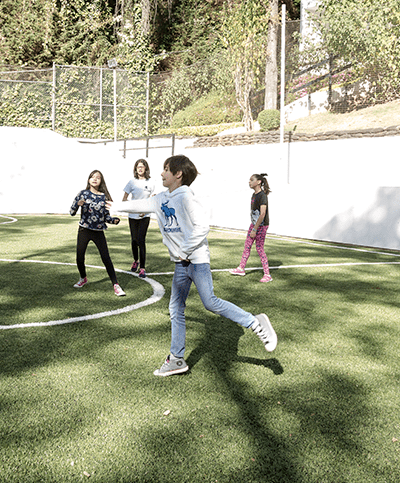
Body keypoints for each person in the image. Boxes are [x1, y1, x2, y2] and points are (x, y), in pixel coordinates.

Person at [110, 155, 277, 376]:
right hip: (181, 263)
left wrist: (184, 250)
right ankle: (177, 359)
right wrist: (113, 206)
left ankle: (254, 322)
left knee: (210, 302)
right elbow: (139, 204)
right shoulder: (161, 198)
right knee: (175, 308)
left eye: (166, 170)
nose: (161, 173)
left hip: (196, 261)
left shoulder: (186, 197)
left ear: (178, 175)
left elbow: (201, 226)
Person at [70, 169, 125, 296]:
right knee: (79, 257)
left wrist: (114, 221)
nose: (95, 179)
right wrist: (77, 205)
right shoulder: (82, 194)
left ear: (101, 181)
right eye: (92, 177)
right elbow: (71, 212)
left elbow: (106, 217)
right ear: (89, 179)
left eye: (98, 177)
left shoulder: (103, 197)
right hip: (84, 230)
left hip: (98, 231)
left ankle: (116, 285)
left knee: (106, 258)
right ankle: (83, 278)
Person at [230, 173, 272, 283]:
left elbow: (262, 214)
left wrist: (255, 229)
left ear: (258, 182)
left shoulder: (262, 195)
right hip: (254, 224)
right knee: (247, 245)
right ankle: (241, 268)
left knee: (259, 248)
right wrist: (253, 227)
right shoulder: (254, 195)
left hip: (261, 226)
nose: (249, 182)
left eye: (251, 180)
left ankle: (267, 275)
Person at [122, 159, 155, 279]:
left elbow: (152, 200)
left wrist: (145, 211)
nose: (140, 169)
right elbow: (124, 198)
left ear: (146, 168)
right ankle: (135, 260)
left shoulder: (151, 182)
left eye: (142, 167)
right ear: (135, 169)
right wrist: (130, 208)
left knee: (141, 240)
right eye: (138, 167)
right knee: (134, 240)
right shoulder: (132, 182)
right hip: (133, 216)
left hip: (145, 216)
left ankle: (142, 267)